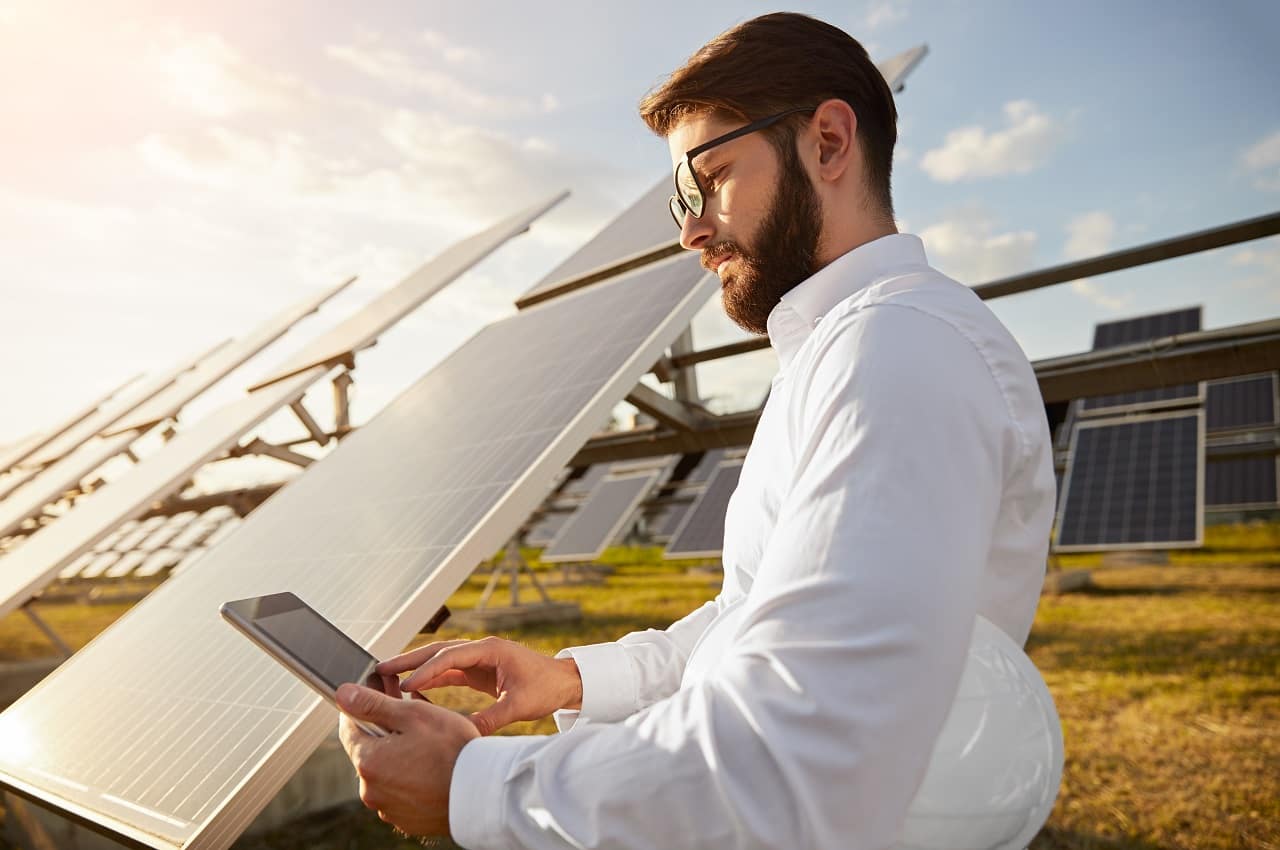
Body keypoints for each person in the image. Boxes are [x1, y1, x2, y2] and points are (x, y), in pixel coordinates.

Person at [337, 12, 1056, 849]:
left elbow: (794, 754)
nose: (692, 229)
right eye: (684, 196)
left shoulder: (896, 350)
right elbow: (755, 620)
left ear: (827, 142)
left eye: (711, 177)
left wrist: (475, 791)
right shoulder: (848, 350)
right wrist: (569, 678)